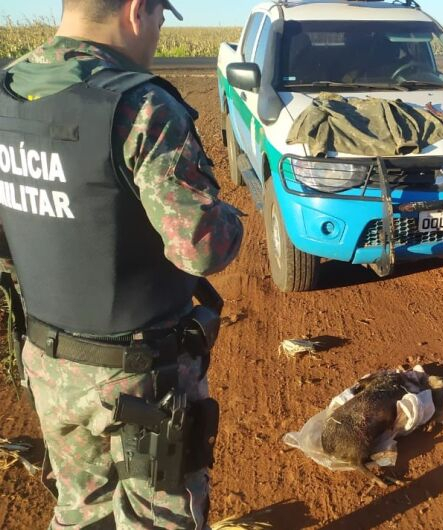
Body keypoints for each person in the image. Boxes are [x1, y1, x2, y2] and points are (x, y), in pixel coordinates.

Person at [0, 0, 244, 528]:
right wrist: (232, 217)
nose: (157, 33)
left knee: (79, 511)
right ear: (137, 11)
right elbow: (202, 247)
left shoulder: (9, 90)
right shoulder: (141, 107)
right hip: (139, 379)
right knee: (157, 517)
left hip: (48, 364)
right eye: (159, 18)